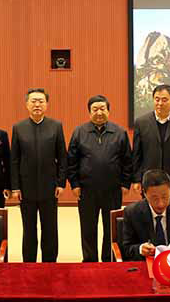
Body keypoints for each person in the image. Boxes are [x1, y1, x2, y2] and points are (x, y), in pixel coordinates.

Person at [67, 95, 133, 262]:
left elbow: (127, 160)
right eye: (95, 109)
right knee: (88, 227)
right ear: (89, 112)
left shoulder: (119, 132)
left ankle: (108, 259)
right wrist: (74, 184)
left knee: (111, 227)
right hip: (86, 189)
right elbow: (71, 161)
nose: (99, 112)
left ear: (108, 111)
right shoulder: (79, 132)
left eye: (102, 109)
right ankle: (89, 260)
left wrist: (126, 183)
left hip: (113, 189)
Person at [11, 88, 67, 262]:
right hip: (26, 188)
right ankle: (29, 263)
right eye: (33, 101)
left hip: (50, 187)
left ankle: (50, 263)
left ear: (46, 104)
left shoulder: (56, 126)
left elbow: (62, 157)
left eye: (41, 101)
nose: (37, 104)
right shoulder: (18, 128)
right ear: (27, 104)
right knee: (29, 229)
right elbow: (14, 160)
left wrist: (61, 183)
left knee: (50, 228)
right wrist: (15, 187)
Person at [132, 84, 170, 199]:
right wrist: (136, 179)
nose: (160, 103)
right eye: (157, 99)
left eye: (164, 100)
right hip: (149, 180)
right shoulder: (141, 122)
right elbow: (137, 154)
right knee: (150, 208)